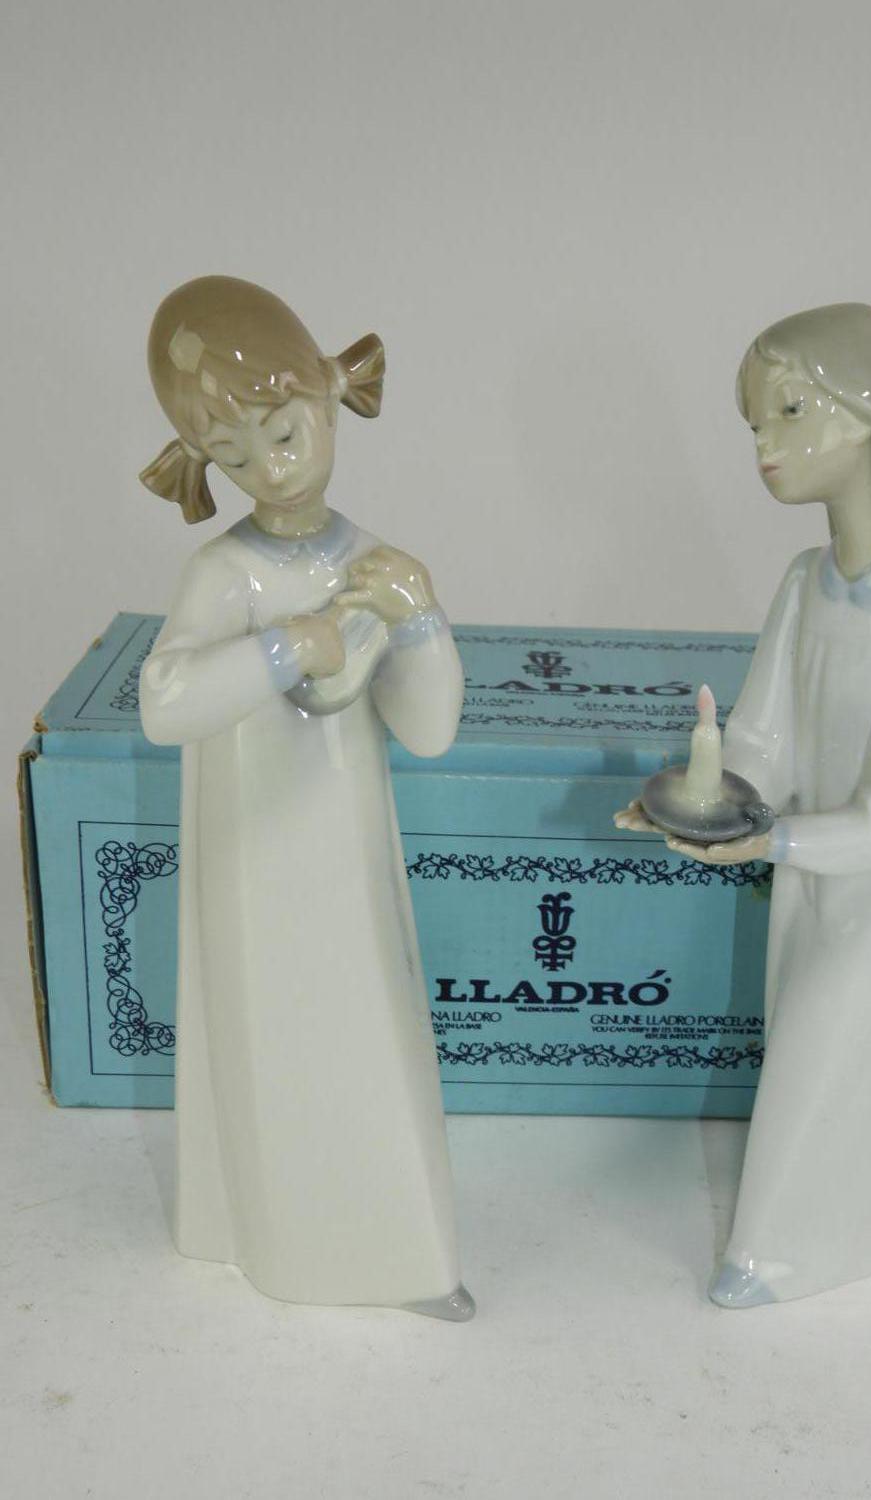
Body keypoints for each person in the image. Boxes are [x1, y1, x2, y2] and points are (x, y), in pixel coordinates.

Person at [618, 304, 871, 1307]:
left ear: (865, 418)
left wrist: (770, 840)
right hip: (811, 884)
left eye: (787, 412)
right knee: (811, 1050)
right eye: (754, 424)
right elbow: (762, 743)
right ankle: (832, 1229)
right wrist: (698, 795)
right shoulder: (803, 584)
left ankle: (773, 1254)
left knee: (818, 1058)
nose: (763, 445)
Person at [139, 276, 473, 1317]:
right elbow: (165, 701)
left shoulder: (374, 563)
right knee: (270, 1041)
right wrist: (289, 646)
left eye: (283, 433)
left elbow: (428, 729)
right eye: (233, 456)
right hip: (254, 854)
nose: (269, 469)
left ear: (329, 397)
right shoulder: (224, 574)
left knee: (364, 1039)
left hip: (342, 852)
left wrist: (421, 620)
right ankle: (279, 1243)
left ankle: (392, 1254)